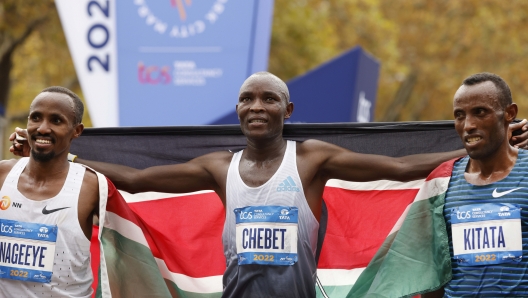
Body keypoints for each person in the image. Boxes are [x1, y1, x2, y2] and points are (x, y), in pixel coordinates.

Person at [6, 72, 494, 297]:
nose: (256, 106)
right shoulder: (220, 167)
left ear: (288, 111)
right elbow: (136, 179)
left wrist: (473, 148)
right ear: (237, 110)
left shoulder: (312, 159)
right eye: (246, 99)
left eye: (268, 99)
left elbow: (402, 168)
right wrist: (52, 153)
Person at [418, 72, 528, 297]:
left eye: (480, 112)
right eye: (460, 115)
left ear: (509, 113)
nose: (468, 125)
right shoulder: (443, 181)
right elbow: (432, 276)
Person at [1, 86, 99, 297]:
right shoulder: (3, 174)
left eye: (56, 121)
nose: (43, 128)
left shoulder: (90, 186)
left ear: (77, 130)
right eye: (36, 118)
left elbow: (138, 183)